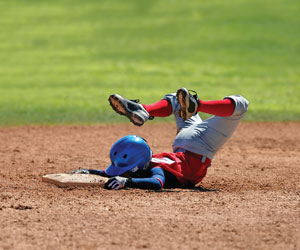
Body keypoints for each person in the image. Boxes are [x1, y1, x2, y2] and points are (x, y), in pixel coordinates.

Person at [73, 87, 249, 190]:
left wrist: (127, 182)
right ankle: (150, 109)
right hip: (188, 143)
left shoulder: (153, 169)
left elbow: (156, 182)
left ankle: (146, 110)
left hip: (198, 145)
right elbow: (115, 173)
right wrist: (89, 172)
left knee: (240, 105)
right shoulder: (146, 164)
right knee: (177, 100)